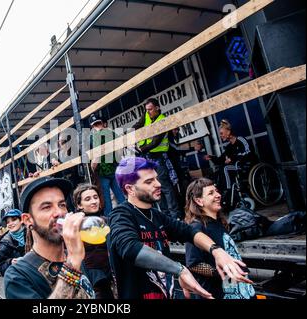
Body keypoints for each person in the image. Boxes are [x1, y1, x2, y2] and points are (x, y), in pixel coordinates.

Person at [109, 156, 253, 299]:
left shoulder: (156, 215)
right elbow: (129, 248)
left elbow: (189, 231)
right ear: (130, 189)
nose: (158, 184)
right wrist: (180, 270)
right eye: (149, 181)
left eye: (156, 178)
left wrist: (216, 250)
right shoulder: (121, 215)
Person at [4, 177, 95, 299]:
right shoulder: (18, 276)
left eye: (62, 205)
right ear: (28, 220)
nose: (59, 212)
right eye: (47, 207)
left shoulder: (73, 254)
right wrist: (72, 265)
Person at [184, 178, 256, 299]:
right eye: (211, 193)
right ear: (199, 201)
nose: (218, 195)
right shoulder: (196, 227)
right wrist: (224, 272)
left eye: (216, 191)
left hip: (239, 291)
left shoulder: (219, 222)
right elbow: (193, 264)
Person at [133, 98, 179, 219]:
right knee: (155, 186)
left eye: (151, 109)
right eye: (146, 110)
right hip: (148, 157)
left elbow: (156, 142)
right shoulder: (146, 115)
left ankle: (174, 216)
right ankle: (165, 216)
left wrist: (140, 149)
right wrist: (129, 135)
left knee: (164, 186)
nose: (148, 112)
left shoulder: (162, 120)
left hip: (158, 157)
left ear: (157, 108)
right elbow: (137, 125)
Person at [73, 183, 116, 299]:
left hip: (112, 273)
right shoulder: (76, 224)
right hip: (94, 278)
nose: (93, 201)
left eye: (95, 197)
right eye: (88, 199)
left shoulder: (106, 220)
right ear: (79, 205)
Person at [205, 119, 258, 201]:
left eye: (221, 133)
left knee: (225, 168)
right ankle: (223, 192)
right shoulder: (229, 147)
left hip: (246, 165)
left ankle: (228, 191)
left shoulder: (240, 140)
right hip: (236, 167)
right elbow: (220, 160)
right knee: (218, 170)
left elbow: (249, 152)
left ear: (228, 131)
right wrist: (211, 157)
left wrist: (232, 158)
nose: (220, 135)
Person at [89, 113, 125, 217]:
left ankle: (126, 218)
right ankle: (110, 222)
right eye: (95, 125)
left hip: (113, 170)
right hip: (102, 173)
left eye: (98, 123)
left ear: (102, 123)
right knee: (106, 200)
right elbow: (92, 159)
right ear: (92, 127)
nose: (98, 126)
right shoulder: (91, 138)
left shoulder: (110, 134)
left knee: (120, 197)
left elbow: (120, 150)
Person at [0, 209, 26, 277]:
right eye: (8, 222)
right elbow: (2, 269)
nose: (10, 224)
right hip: (19, 280)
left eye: (14, 219)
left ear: (21, 220)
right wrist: (10, 262)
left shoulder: (32, 234)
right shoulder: (5, 242)